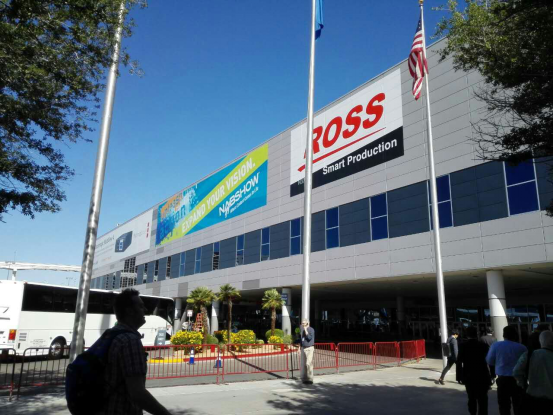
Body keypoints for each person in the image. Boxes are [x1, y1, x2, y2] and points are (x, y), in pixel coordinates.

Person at [101, 289, 172, 415]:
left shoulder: (111, 334)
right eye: (140, 306)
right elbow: (138, 393)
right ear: (129, 311)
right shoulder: (130, 341)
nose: (145, 309)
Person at [486, 325, 527, 415]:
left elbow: (489, 361)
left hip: (502, 378)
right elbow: (526, 364)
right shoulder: (522, 347)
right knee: (518, 405)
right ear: (515, 335)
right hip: (518, 379)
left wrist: (499, 363)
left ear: (504, 335)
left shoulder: (496, 345)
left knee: (504, 405)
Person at [513, 330, 553, 412]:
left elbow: (516, 371)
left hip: (533, 398)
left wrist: (523, 384)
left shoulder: (529, 355)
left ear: (540, 341)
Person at [457, 326, 493, 415]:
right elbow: (490, 361)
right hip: (482, 374)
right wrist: (492, 375)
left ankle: (472, 413)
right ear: (476, 334)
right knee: (483, 399)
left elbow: (459, 362)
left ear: (467, 335)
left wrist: (459, 376)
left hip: (469, 375)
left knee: (471, 398)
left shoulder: (463, 346)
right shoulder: (483, 346)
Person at [299, 318, 315, 385]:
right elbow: (302, 339)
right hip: (304, 348)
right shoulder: (302, 330)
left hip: (309, 348)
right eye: (302, 323)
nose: (302, 324)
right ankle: (306, 378)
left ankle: (310, 379)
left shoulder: (311, 329)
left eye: (303, 323)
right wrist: (299, 348)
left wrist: (306, 330)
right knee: (305, 364)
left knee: (309, 363)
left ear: (307, 323)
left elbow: (309, 338)